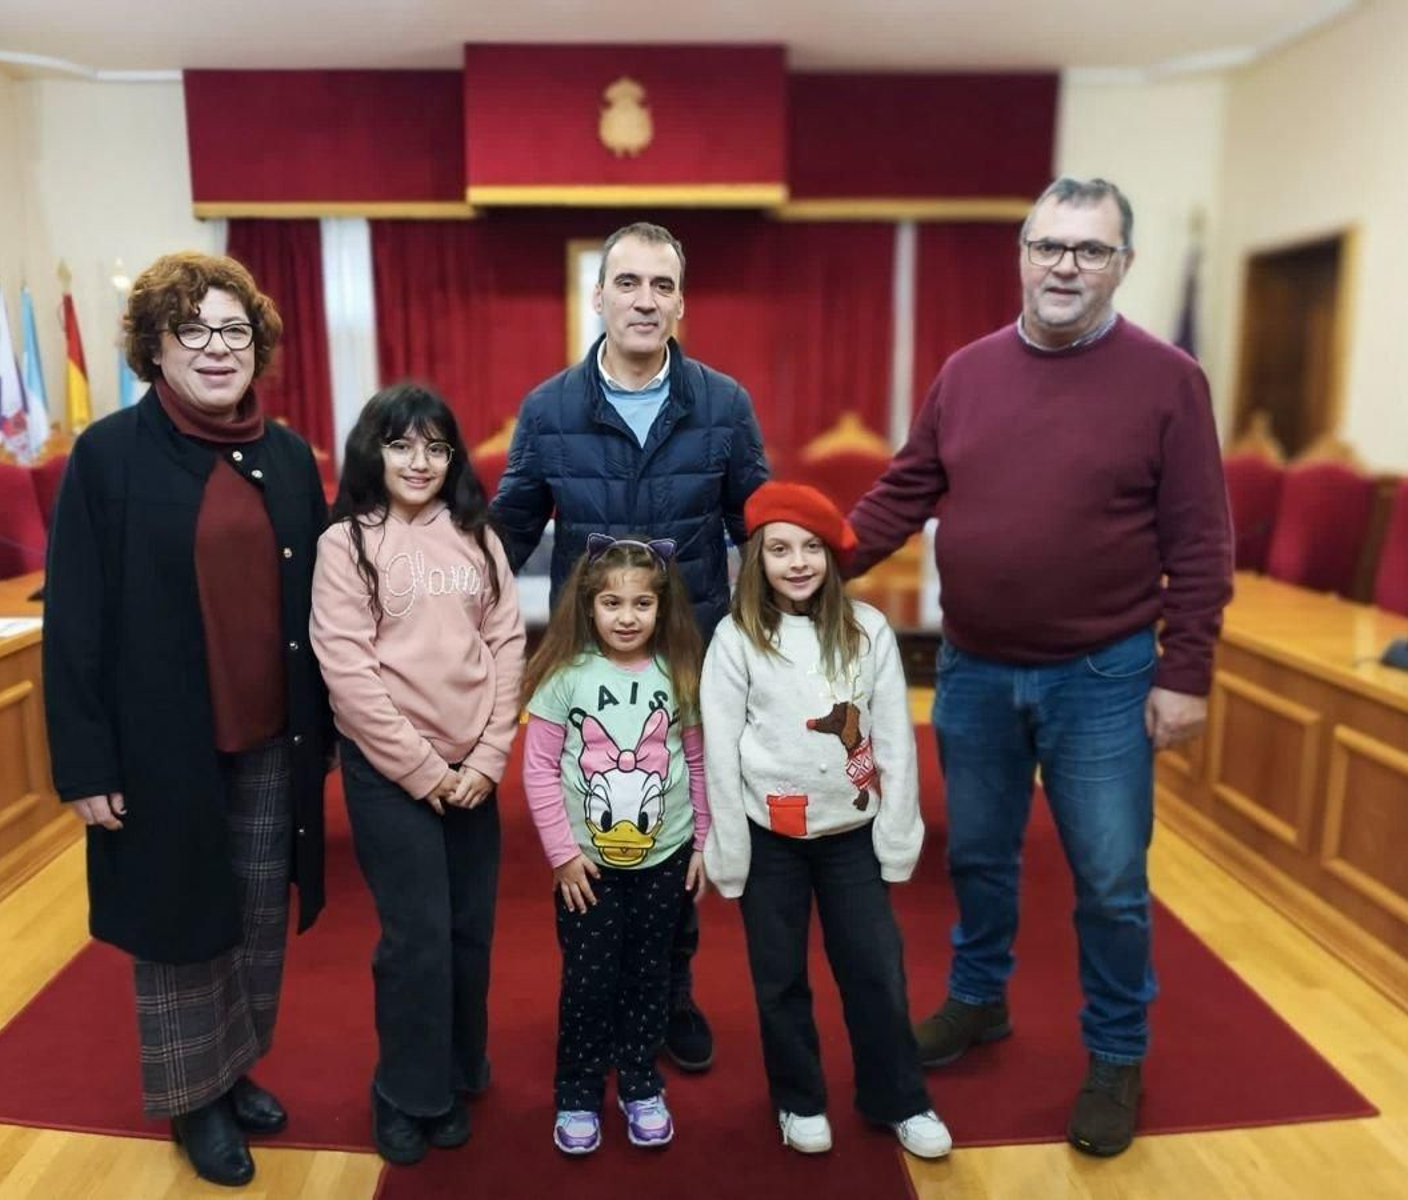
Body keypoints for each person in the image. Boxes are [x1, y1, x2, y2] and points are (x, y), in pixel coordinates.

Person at [847, 176, 1234, 1157]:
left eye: (1089, 250)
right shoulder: (967, 371)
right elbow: (905, 491)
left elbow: (1200, 540)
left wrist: (1183, 670)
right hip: (973, 670)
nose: (1065, 265)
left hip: (1101, 678)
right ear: (1021, 255)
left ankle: (1115, 1051)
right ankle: (979, 1001)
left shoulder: (1169, 380)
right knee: (978, 855)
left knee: (1107, 881)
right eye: (1048, 246)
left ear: (1121, 266)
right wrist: (808, 563)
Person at [42, 251, 331, 1188]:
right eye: (193, 331)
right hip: (161, 743)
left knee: (253, 910)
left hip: (271, 737)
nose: (217, 349)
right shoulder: (109, 455)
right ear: (155, 349)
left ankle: (235, 1065)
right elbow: (75, 616)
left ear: (259, 346)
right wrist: (85, 763)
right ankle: (192, 1101)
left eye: (234, 331)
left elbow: (322, 603)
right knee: (179, 924)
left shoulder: (286, 455)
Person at [492, 220, 768, 1073]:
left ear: (680, 303)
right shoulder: (548, 409)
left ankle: (670, 989)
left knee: (673, 832)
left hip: (690, 665)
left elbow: (757, 528)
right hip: (591, 667)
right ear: (599, 295)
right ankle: (595, 989)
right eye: (629, 283)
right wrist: (423, 577)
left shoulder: (725, 403)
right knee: (587, 825)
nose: (645, 300)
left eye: (661, 286)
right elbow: (505, 531)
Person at [700, 481, 951, 1160]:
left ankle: (898, 1096)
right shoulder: (735, 637)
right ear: (757, 558)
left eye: (811, 547)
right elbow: (719, 749)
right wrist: (726, 847)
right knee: (778, 977)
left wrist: (898, 835)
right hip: (768, 838)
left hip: (851, 838)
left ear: (833, 554)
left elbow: (895, 737)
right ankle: (799, 1098)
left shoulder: (866, 629)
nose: (798, 561)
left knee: (875, 969)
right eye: (780, 549)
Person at [310, 384, 525, 1166]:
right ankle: (406, 1091)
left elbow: (506, 647)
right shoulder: (347, 544)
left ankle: (460, 1068)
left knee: (471, 931)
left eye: (436, 446)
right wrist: (428, 772)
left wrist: (489, 757)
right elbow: (349, 673)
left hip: (474, 770)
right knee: (418, 940)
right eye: (402, 444)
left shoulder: (477, 535)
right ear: (374, 450)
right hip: (392, 772)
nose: (420, 461)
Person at [520, 536, 710, 1155]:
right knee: (589, 979)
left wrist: (704, 840)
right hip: (587, 868)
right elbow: (539, 769)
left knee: (650, 972)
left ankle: (638, 1079)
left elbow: (699, 761)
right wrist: (562, 853)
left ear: (663, 608)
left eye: (640, 604)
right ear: (587, 606)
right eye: (611, 603)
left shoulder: (679, 672)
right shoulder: (564, 677)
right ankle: (577, 1090)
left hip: (667, 856)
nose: (626, 617)